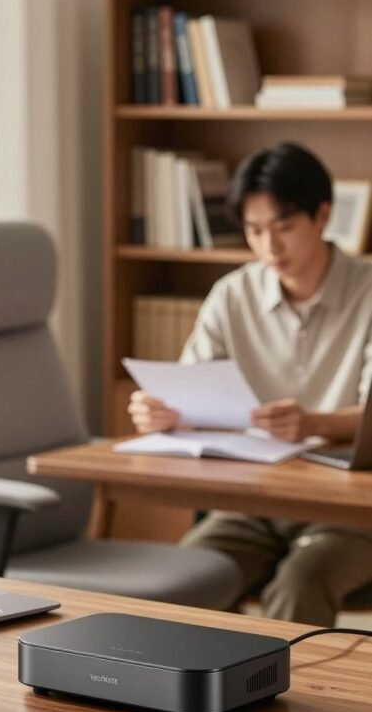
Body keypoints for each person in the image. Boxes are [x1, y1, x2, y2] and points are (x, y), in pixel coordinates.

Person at [128, 142, 372, 630]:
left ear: (322, 216)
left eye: (283, 228)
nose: (269, 248)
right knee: (187, 579)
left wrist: (313, 423)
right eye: (255, 231)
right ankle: (195, 701)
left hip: (348, 512)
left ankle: (289, 707)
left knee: (300, 584)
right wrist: (163, 412)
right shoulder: (232, 294)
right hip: (252, 503)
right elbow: (191, 389)